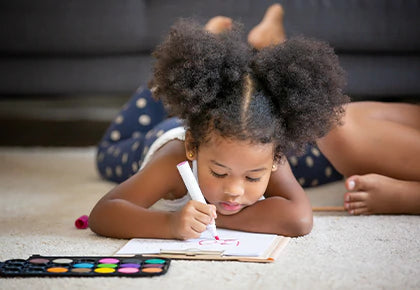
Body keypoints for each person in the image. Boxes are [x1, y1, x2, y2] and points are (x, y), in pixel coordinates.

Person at [89, 4, 349, 239]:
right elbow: (103, 214)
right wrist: (170, 223)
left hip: (240, 143)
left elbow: (300, 219)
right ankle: (195, 56)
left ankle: (269, 44)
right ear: (193, 147)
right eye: (219, 173)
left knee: (331, 164)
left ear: (276, 156)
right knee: (107, 155)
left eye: (252, 177)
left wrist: (212, 217)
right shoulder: (174, 159)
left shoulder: (267, 146)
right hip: (157, 138)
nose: (234, 191)